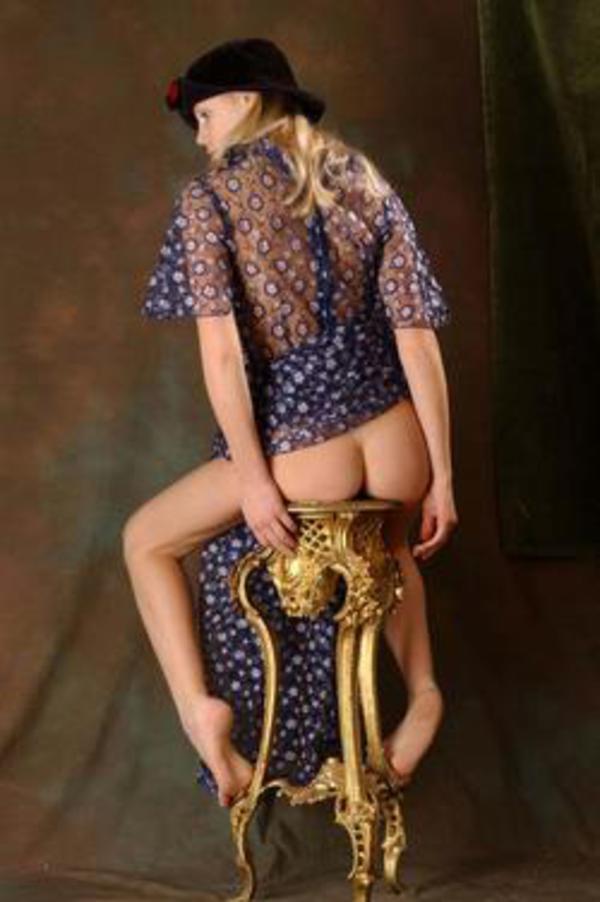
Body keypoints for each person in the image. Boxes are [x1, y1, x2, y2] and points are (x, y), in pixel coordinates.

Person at [123, 38, 458, 810]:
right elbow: (416, 340)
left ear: (247, 100)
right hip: (397, 437)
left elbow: (223, 356)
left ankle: (201, 713)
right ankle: (425, 691)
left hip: (308, 451)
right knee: (392, 545)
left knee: (145, 541)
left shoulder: (212, 199)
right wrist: (443, 476)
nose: (200, 137)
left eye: (205, 116)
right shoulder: (367, 182)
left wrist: (252, 477)